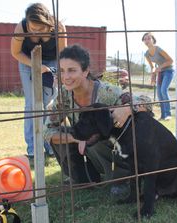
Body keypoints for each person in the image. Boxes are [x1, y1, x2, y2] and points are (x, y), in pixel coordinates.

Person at [44, 44, 152, 186]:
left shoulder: (107, 92)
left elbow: (147, 103)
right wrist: (75, 139)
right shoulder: (64, 94)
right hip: (87, 145)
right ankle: (83, 178)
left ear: (85, 71)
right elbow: (48, 130)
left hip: (116, 149)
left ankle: (120, 179)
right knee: (59, 135)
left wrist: (127, 108)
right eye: (62, 71)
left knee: (96, 136)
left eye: (72, 70)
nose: (66, 77)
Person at [11, 2, 67, 160]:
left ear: (48, 24)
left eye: (40, 29)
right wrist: (35, 65)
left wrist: (59, 72)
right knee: (32, 105)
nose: (34, 32)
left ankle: (49, 144)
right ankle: (32, 149)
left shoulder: (59, 27)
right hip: (27, 61)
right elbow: (15, 52)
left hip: (53, 62)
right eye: (32, 28)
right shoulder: (21, 28)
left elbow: (63, 53)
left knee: (49, 104)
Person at [142, 32, 174, 121]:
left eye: (149, 38)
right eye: (145, 39)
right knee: (159, 94)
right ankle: (163, 116)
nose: (147, 40)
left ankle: (168, 114)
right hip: (160, 72)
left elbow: (170, 61)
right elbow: (152, 67)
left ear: (153, 40)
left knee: (164, 90)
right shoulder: (147, 54)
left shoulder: (158, 49)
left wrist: (160, 67)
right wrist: (153, 77)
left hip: (168, 71)